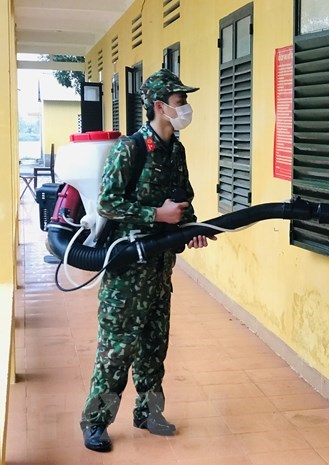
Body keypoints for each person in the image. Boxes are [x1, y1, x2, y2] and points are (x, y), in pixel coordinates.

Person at [80, 69, 214, 452]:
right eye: (179, 101)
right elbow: (108, 202)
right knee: (117, 350)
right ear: (159, 106)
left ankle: (149, 412)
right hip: (127, 272)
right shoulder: (130, 149)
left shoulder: (177, 150)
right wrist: (157, 215)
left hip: (160, 270)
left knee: (155, 347)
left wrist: (192, 227)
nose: (185, 107)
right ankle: (95, 422)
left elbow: (183, 198)